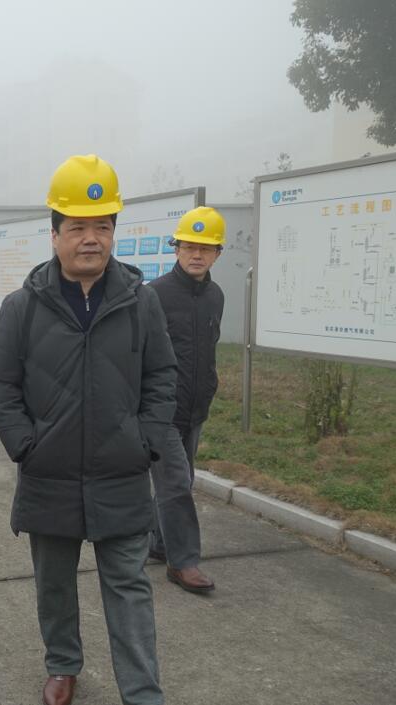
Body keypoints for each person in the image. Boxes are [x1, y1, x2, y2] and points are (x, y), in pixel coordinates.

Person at [0, 154, 177, 705]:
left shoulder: (141, 303)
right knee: (55, 585)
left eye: (102, 227)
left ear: (113, 232)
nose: (91, 239)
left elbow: (162, 375)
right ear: (55, 235)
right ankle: (62, 665)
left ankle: (142, 691)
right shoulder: (22, 307)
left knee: (129, 587)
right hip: (50, 473)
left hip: (122, 472)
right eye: (78, 227)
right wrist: (26, 445)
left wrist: (146, 440)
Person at [146, 206, 227, 594]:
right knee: (177, 481)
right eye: (190, 247)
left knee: (179, 480)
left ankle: (159, 543)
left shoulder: (215, 296)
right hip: (161, 409)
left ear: (217, 254)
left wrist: (209, 387)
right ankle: (183, 562)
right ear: (176, 249)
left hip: (195, 407)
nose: (197, 255)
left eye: (205, 248)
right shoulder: (153, 295)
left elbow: (209, 348)